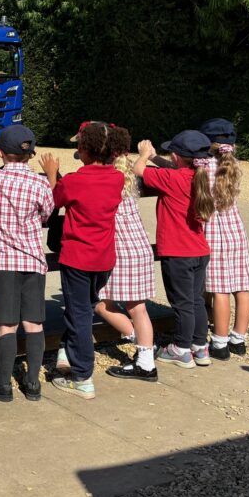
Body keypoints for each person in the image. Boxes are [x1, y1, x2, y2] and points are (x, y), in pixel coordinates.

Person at [41, 122, 124, 400]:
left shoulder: (75, 180)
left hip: (78, 258)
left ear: (84, 150)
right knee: (84, 308)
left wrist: (52, 174)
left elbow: (54, 200)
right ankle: (69, 353)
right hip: (104, 257)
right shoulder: (115, 178)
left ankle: (82, 376)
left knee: (78, 315)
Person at [133, 130, 215, 368]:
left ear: (177, 157)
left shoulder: (173, 179)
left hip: (177, 252)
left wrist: (144, 155)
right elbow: (173, 167)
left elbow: (138, 171)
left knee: (182, 304)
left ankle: (180, 348)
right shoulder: (198, 176)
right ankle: (200, 347)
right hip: (199, 250)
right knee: (196, 300)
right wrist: (156, 157)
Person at [0, 125, 55, 402]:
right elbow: (47, 214)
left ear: (0, 152)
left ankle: (3, 384)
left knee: (7, 325)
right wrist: (51, 176)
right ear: (30, 155)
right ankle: (33, 384)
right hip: (32, 259)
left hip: (3, 259)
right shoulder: (39, 184)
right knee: (34, 323)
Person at [97, 127, 159, 382]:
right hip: (139, 247)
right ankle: (145, 349)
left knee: (100, 304)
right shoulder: (130, 176)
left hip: (120, 248)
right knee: (138, 308)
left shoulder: (108, 177)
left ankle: (144, 353)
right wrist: (145, 156)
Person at [199, 118, 249, 360]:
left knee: (220, 289)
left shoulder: (204, 166)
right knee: (241, 287)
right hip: (236, 230)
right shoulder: (233, 165)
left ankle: (219, 342)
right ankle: (238, 338)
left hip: (214, 231)